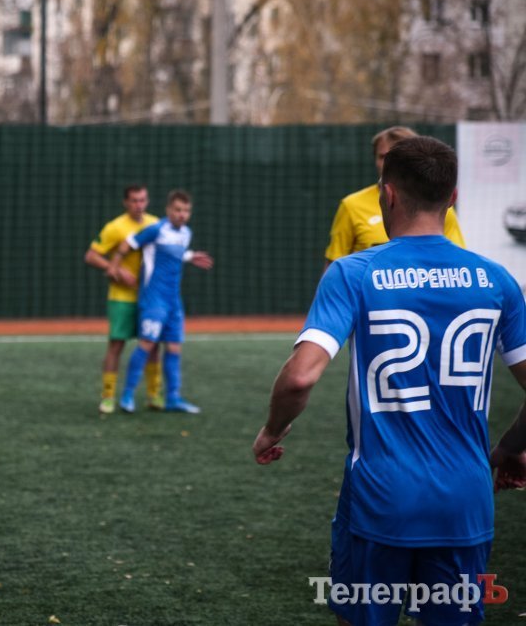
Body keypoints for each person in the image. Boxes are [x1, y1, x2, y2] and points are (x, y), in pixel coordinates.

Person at [253, 136, 526, 626]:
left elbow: (299, 378)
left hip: (380, 500)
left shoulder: (353, 273)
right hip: (466, 501)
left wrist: (272, 430)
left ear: (388, 194)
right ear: (453, 198)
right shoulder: (496, 280)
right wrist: (510, 447)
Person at [108, 190, 214, 414]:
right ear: (168, 210)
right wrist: (114, 266)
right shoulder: (156, 229)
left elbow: (174, 252)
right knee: (147, 344)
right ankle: (127, 395)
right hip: (153, 300)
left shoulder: (186, 233)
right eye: (177, 210)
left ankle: (173, 398)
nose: (182, 214)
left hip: (173, 301)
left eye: (186, 211)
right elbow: (128, 244)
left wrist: (189, 256)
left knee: (174, 347)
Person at [325, 126, 465, 266]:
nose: (387, 164)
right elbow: (334, 264)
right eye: (382, 157)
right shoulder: (352, 205)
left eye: (396, 158)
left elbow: (456, 260)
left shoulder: (436, 206)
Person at [85, 185, 164, 414]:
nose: (139, 205)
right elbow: (91, 256)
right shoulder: (115, 227)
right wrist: (117, 270)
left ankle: (154, 395)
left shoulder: (156, 224)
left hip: (149, 298)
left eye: (142, 200)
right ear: (125, 203)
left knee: (152, 346)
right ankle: (108, 396)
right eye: (134, 201)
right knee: (116, 345)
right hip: (121, 297)